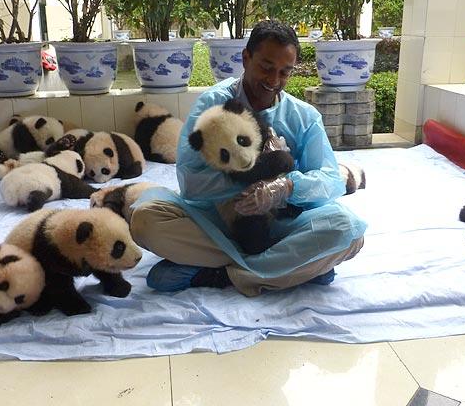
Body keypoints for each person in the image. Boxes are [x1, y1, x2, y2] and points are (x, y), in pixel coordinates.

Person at [129, 20, 366, 297]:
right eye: (266, 67)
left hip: (281, 223)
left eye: (284, 72)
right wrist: (244, 184)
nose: (274, 81)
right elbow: (191, 180)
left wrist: (285, 189)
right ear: (246, 58)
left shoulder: (303, 116)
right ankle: (293, 266)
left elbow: (330, 181)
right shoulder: (213, 105)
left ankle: (220, 274)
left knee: (348, 232)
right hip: (214, 220)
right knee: (145, 219)